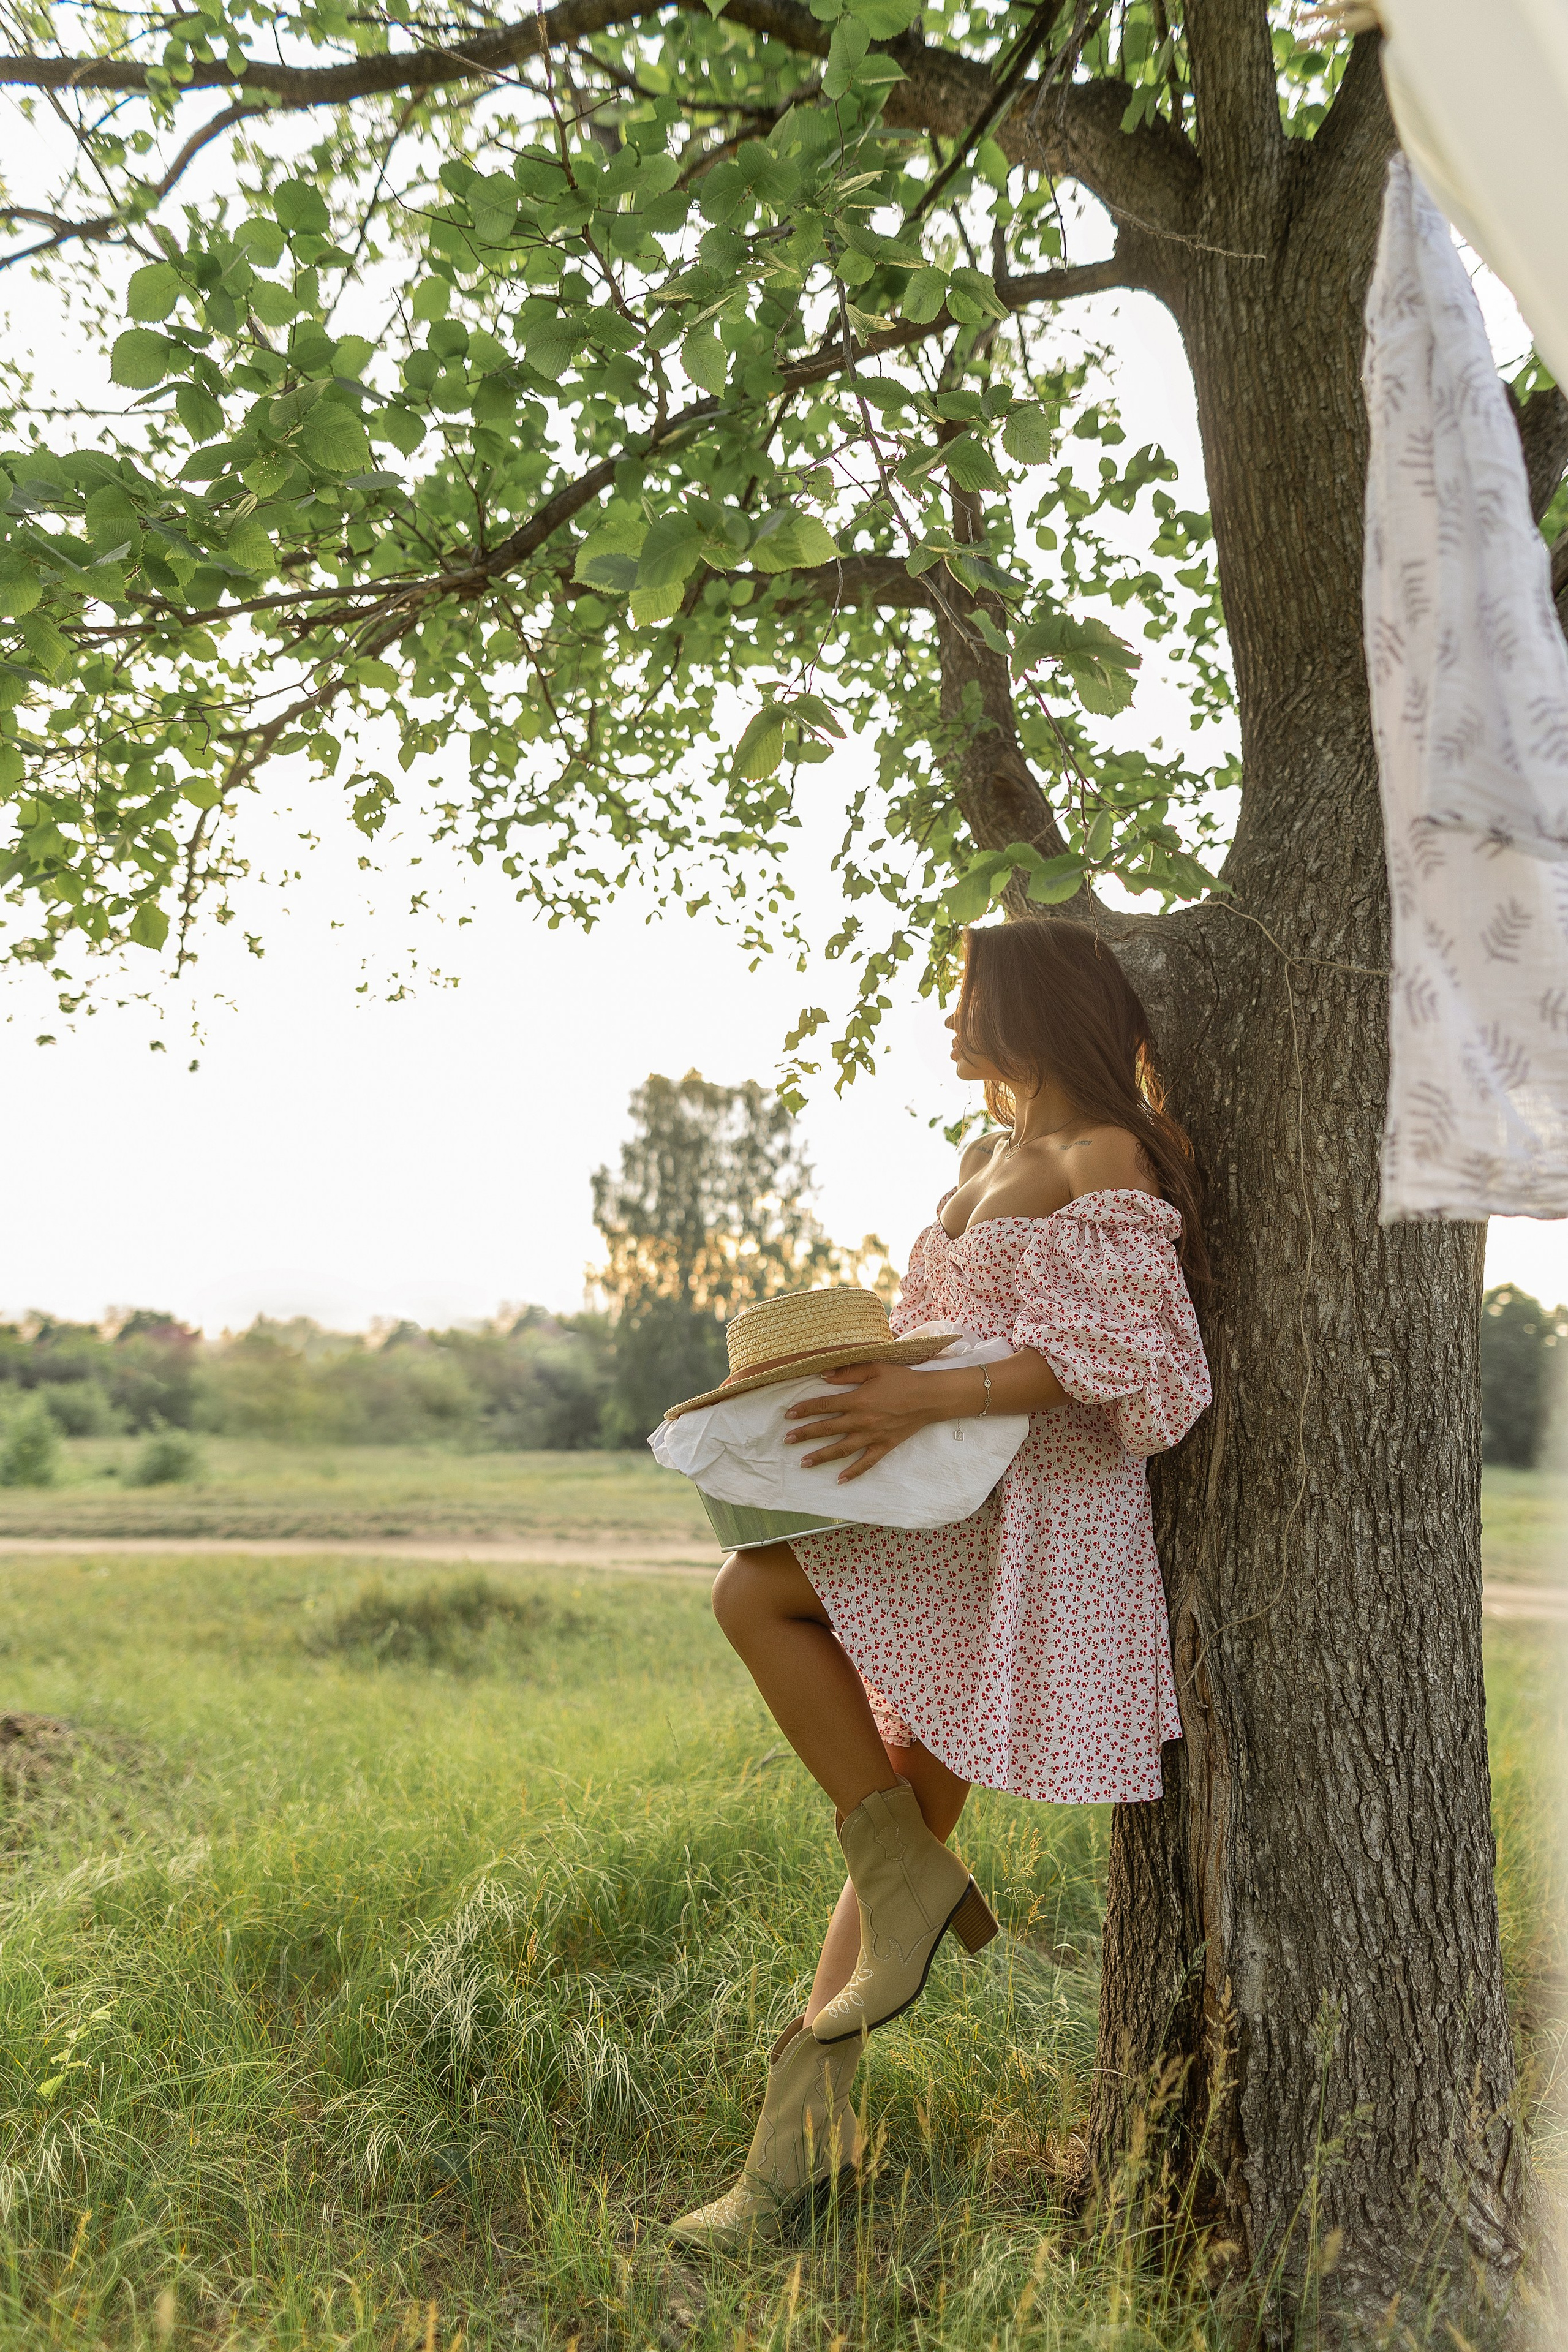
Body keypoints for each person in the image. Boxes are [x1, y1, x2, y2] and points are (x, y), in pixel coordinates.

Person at [668, 919, 1212, 2247]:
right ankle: (789, 2159)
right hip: (952, 1494)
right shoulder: (987, 1157)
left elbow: (1137, 1359)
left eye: (967, 997)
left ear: (1034, 1007)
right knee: (895, 1822)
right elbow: (955, 1325)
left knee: (755, 1596)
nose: (948, 1021)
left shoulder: (1102, 1156)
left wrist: (928, 1398)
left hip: (1034, 1517)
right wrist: (865, 1385)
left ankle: (792, 2151)